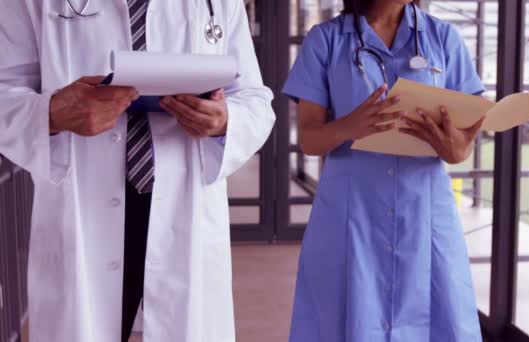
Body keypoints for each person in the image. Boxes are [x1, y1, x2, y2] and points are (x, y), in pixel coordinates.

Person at [0, 1, 275, 341]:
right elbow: (4, 90)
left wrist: (225, 119)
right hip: (82, 209)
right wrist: (53, 111)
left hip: (182, 207)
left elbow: (255, 99)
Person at [282, 0, 485, 341]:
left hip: (424, 213)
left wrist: (454, 149)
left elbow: (463, 144)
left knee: (438, 320)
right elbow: (309, 140)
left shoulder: (443, 38)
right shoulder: (325, 40)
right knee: (344, 319)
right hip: (351, 216)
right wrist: (350, 126)